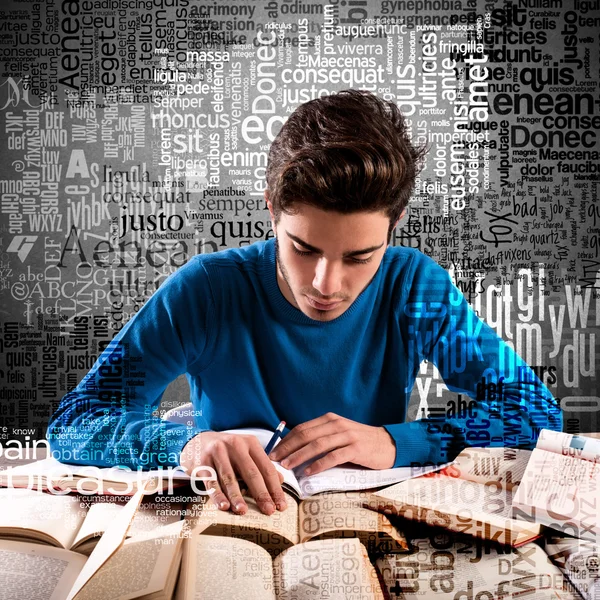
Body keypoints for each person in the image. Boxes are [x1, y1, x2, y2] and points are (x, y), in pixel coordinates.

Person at [47, 90, 562, 516]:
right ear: (272, 211)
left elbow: (538, 413)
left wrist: (395, 442)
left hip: (358, 515)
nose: (325, 284)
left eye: (360, 256)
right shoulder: (205, 289)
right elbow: (75, 420)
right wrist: (183, 446)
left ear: (395, 223)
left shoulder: (414, 287)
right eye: (303, 248)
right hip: (222, 514)